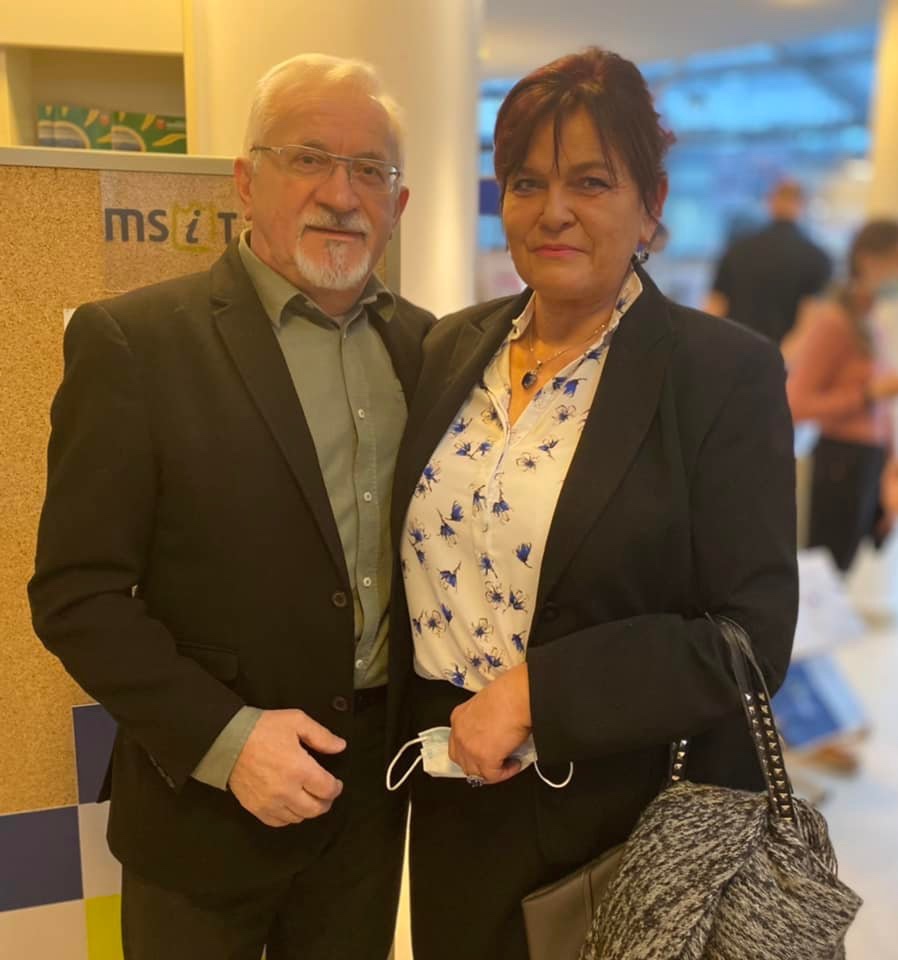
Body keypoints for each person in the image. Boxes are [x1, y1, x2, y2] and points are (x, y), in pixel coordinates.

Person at [387, 48, 798, 960]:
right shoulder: (448, 349)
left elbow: (753, 636)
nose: (554, 211)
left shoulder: (720, 373)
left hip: (627, 822)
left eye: (591, 181)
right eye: (526, 183)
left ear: (651, 205)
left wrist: (541, 690)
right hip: (454, 802)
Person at [28, 54, 433, 960]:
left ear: (399, 202)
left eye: (370, 170)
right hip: (201, 820)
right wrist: (228, 740)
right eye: (308, 158)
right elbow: (76, 596)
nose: (341, 194)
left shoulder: (428, 348)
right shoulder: (134, 343)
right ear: (246, 182)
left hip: (368, 816)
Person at [786, 219, 898, 573]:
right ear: (867, 260)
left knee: (848, 571)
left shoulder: (872, 322)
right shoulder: (834, 322)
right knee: (828, 574)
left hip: (868, 461)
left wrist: (890, 466)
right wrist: (867, 395)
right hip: (841, 462)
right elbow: (796, 403)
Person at [704, 178, 832, 344]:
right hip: (782, 353)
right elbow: (808, 324)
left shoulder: (737, 250)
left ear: (770, 202)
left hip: (736, 349)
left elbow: (715, 308)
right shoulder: (817, 258)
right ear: (803, 205)